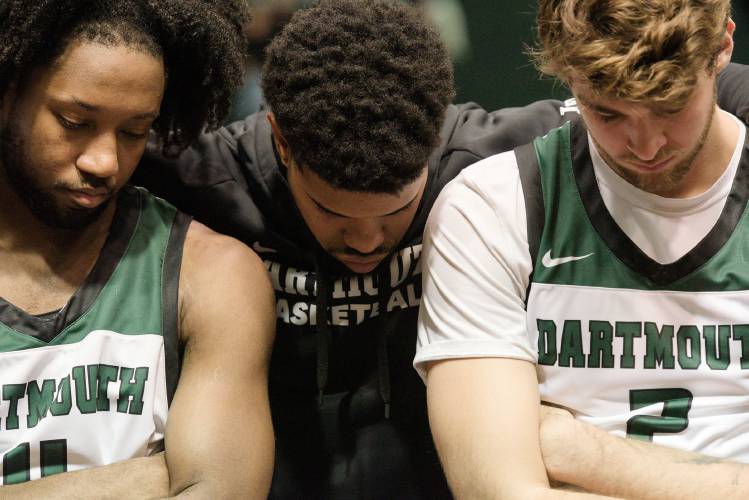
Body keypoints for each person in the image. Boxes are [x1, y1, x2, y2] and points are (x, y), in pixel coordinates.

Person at [133, 0, 749, 497]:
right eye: (333, 212)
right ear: (282, 144)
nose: (368, 239)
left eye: (397, 210)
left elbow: (701, 90)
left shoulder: (487, 158)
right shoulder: (203, 177)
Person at [417, 0, 749, 498]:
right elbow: (499, 491)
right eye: (607, 112)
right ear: (565, 76)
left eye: (670, 105)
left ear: (722, 46)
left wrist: (582, 452)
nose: (645, 144)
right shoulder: (494, 204)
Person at [0, 1, 275, 498]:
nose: (104, 161)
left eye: (133, 132)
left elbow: (221, 490)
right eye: (74, 121)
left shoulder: (211, 272)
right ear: (7, 94)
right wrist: (143, 478)